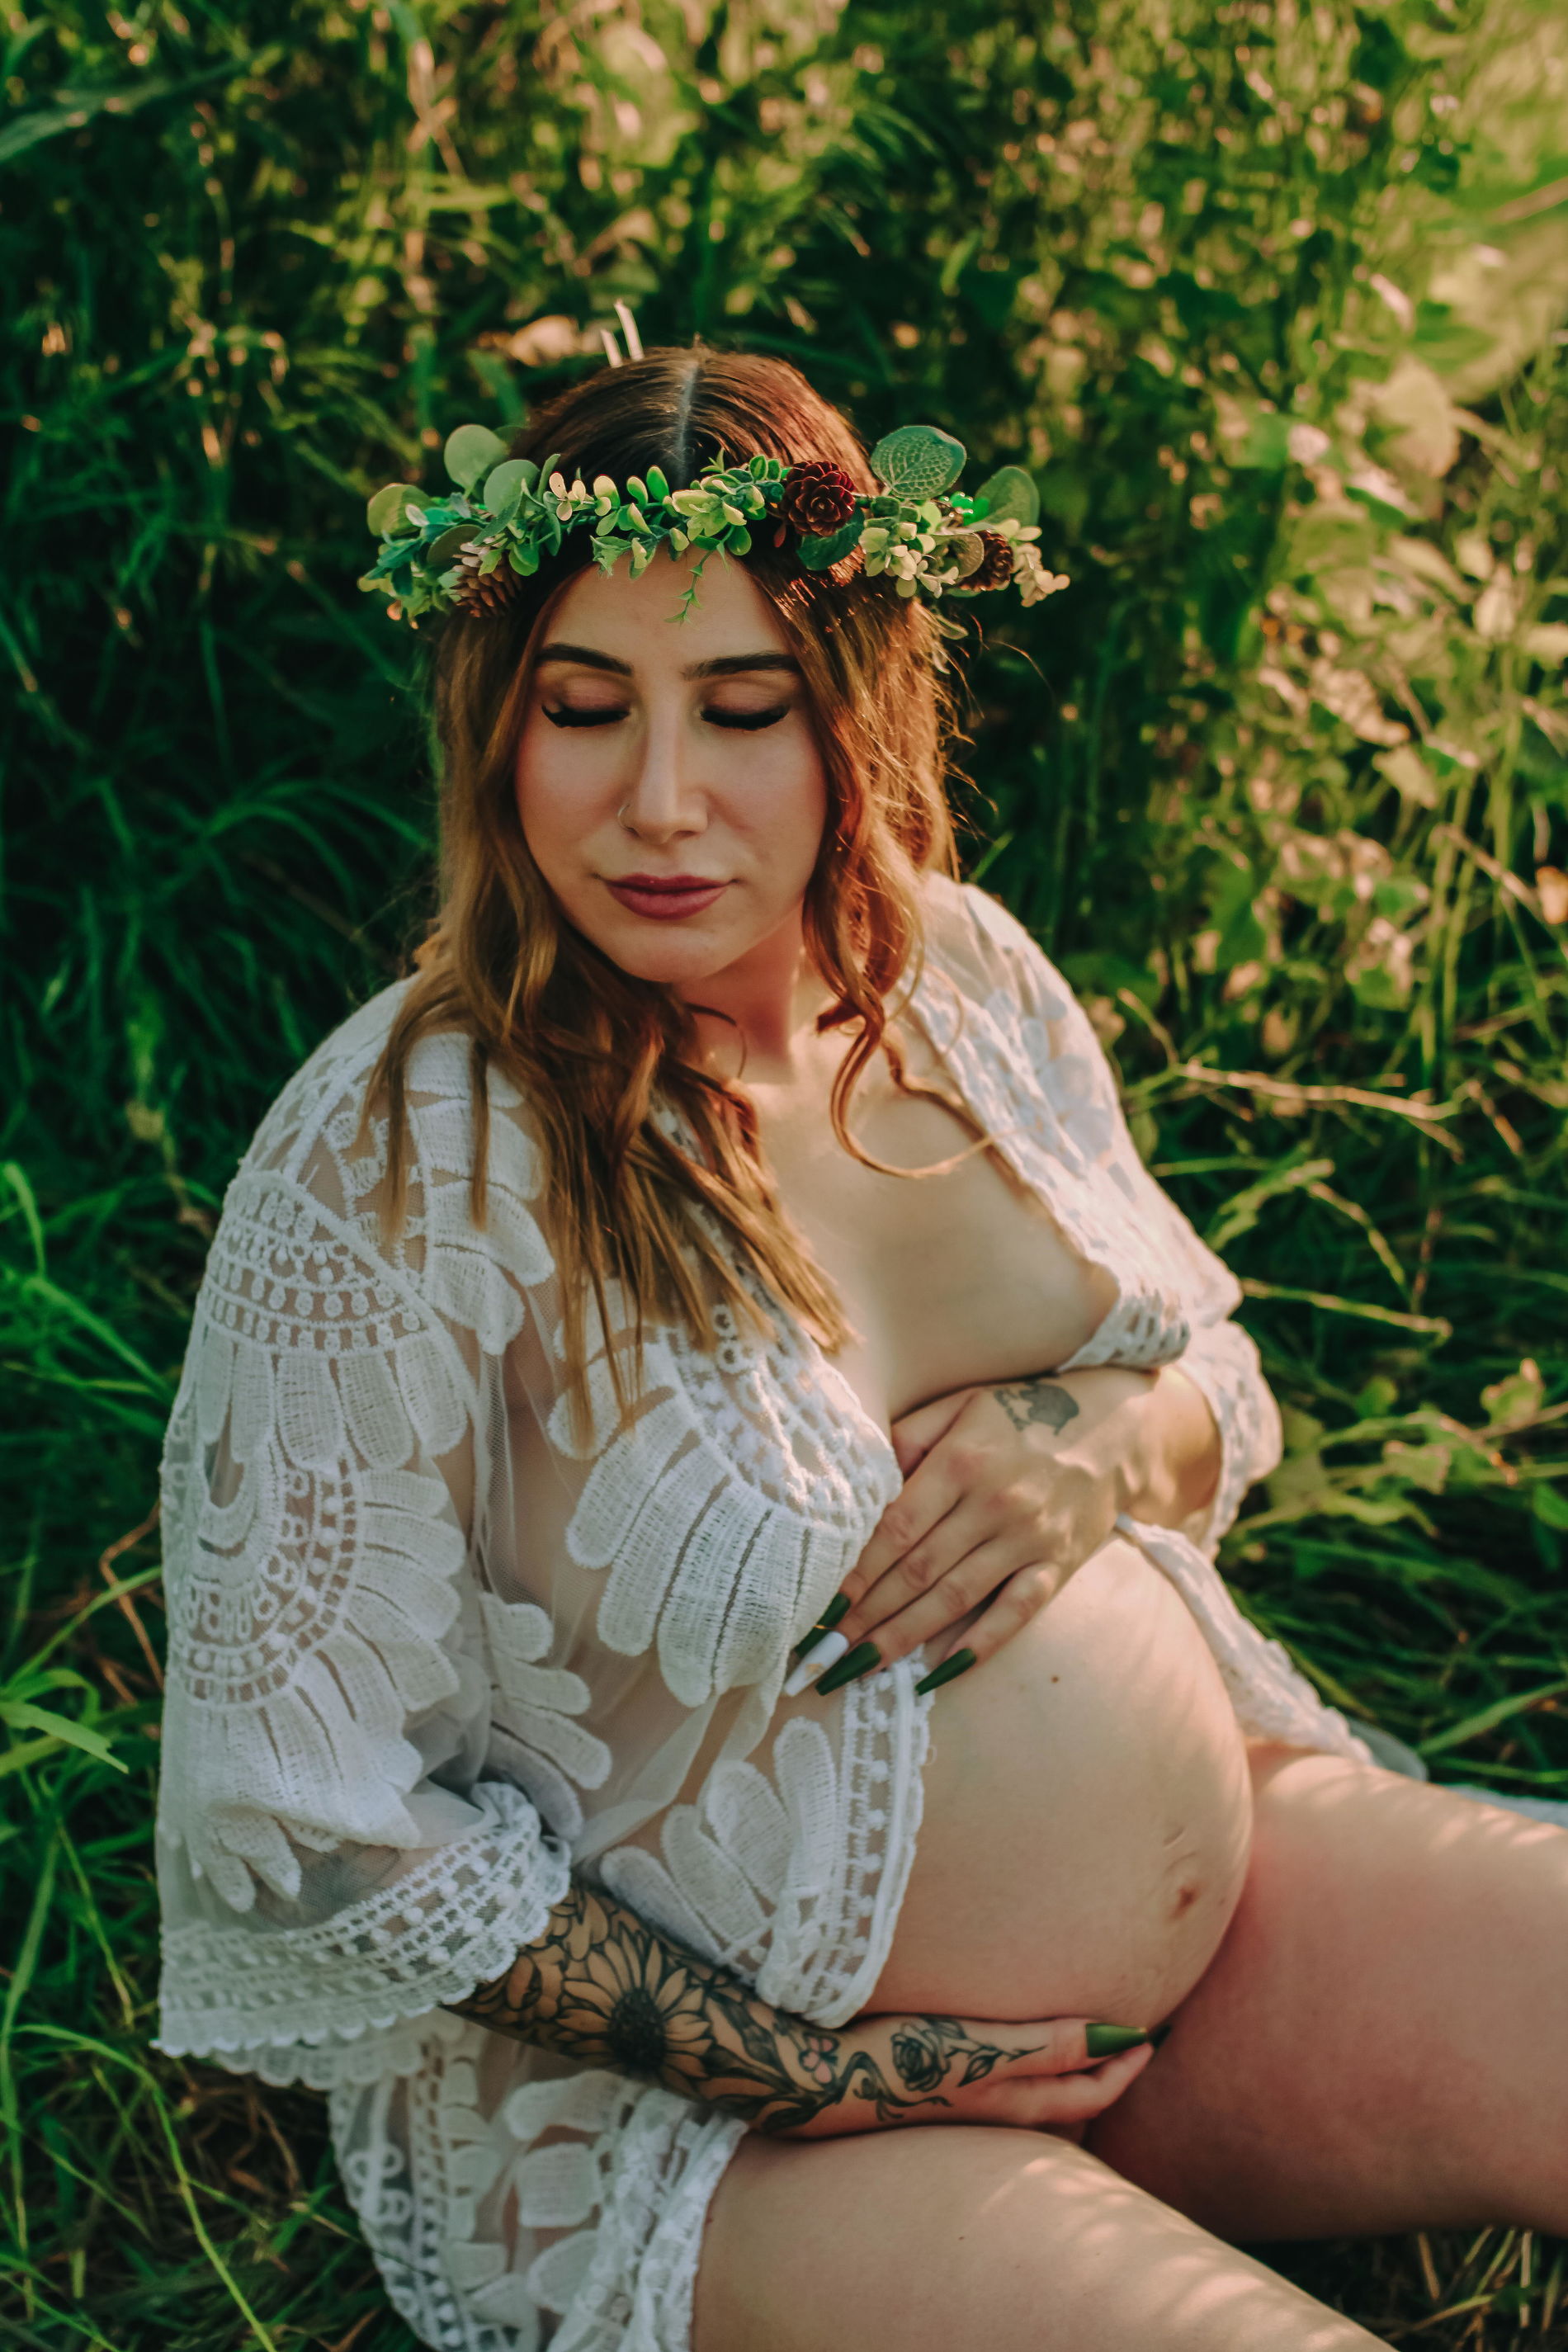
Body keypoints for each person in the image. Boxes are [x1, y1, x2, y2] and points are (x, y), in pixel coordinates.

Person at [153, 347, 1568, 2352]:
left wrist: (1093, 1442)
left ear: (854, 708)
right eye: (584, 708)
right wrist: (800, 2073)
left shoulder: (956, 975)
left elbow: (1210, 1381)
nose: (659, 801)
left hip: (1228, 1940)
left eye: (742, 709)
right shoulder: (406, 1148)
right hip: (747, 2127)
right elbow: (298, 1814)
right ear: (494, 724)